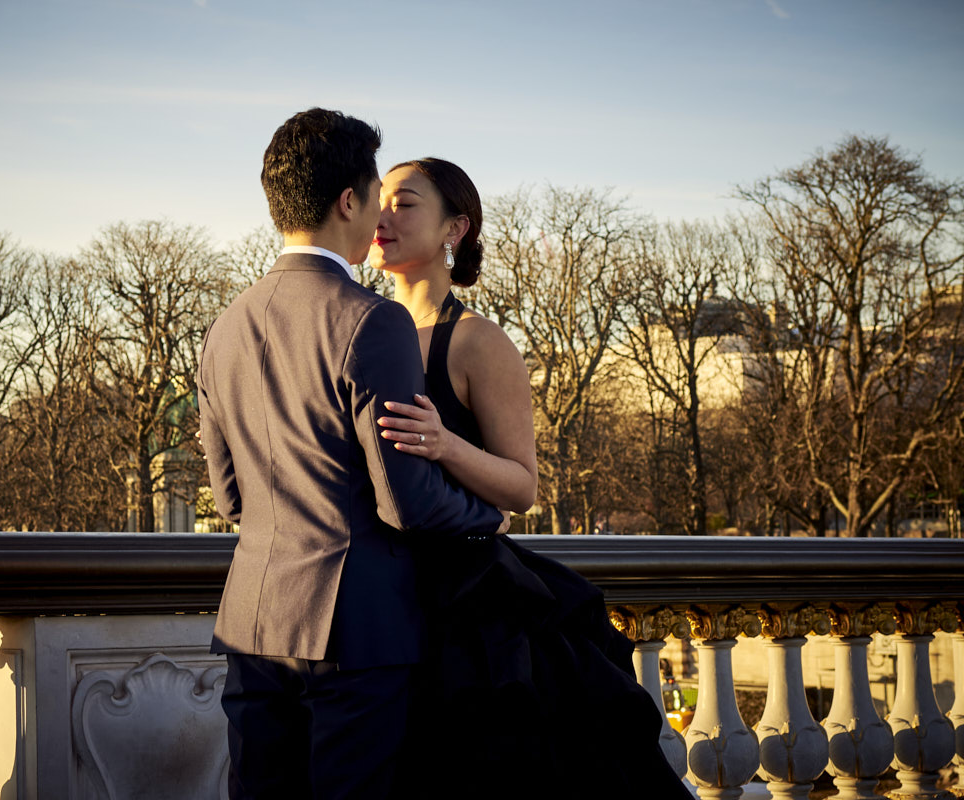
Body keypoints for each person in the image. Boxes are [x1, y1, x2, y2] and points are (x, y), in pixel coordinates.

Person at [196, 112, 505, 800]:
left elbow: (231, 499)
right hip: (355, 634)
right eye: (375, 197)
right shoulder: (371, 319)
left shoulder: (224, 327)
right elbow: (408, 500)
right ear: (347, 203)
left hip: (251, 625)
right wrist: (484, 515)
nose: (380, 216)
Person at [371, 157, 693, 798]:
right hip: (380, 597)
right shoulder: (358, 332)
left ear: (453, 229)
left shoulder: (478, 342)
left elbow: (522, 487)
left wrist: (443, 446)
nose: (383, 216)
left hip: (466, 610)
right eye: (379, 200)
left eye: (404, 203)